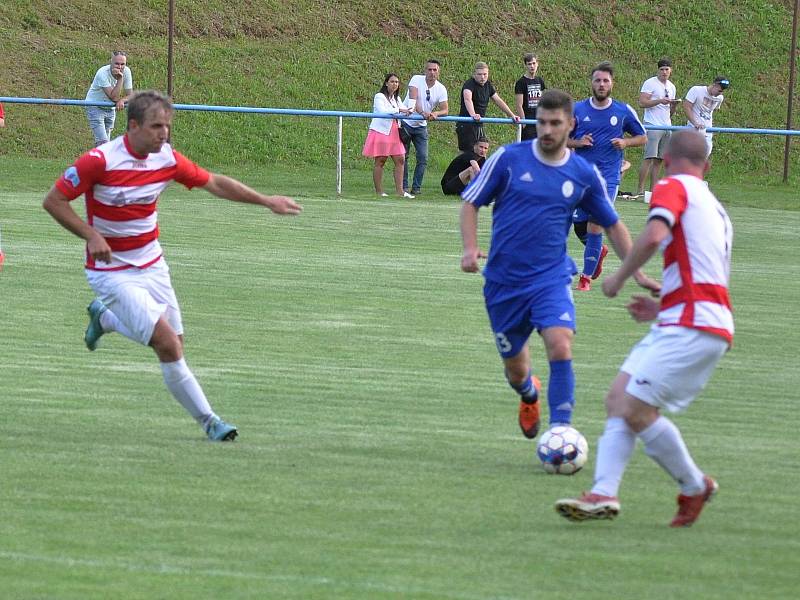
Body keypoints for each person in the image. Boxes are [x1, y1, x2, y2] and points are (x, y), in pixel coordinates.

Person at [41, 90, 302, 442]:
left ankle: (106, 319)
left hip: (152, 264)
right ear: (132, 126)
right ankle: (211, 421)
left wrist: (266, 200)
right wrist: (90, 235)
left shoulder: (166, 159)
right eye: (156, 126)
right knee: (168, 344)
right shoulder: (99, 161)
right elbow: (54, 201)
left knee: (174, 341)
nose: (164, 133)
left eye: (167, 125)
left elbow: (214, 183)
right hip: (111, 270)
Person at [555, 129, 733, 527]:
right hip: (693, 317)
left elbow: (654, 235)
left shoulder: (672, 186)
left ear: (665, 160)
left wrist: (619, 277)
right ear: (707, 165)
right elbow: (705, 273)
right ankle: (604, 492)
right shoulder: (715, 207)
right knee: (620, 398)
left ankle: (693, 485)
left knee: (636, 408)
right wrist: (660, 306)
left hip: (693, 325)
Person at [460, 89, 659, 443]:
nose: (547, 130)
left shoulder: (582, 173)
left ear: (571, 125)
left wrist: (637, 271)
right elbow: (471, 203)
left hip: (551, 278)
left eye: (555, 123)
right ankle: (529, 394)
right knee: (517, 369)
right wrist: (471, 248)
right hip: (504, 283)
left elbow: (612, 223)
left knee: (560, 344)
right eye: (542, 123)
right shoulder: (508, 158)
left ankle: (561, 428)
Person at [568, 61, 647, 292]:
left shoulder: (623, 111)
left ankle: (585, 278)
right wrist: (578, 142)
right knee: (579, 224)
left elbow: (642, 137)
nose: (602, 84)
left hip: (608, 179)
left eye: (606, 81)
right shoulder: (578, 110)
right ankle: (598, 251)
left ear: (612, 84)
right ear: (591, 83)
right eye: (598, 80)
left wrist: (625, 142)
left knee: (595, 225)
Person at [363, 73, 415, 198]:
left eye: (397, 82)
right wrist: (399, 110)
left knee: (400, 159)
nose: (395, 84)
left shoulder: (396, 99)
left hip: (395, 131)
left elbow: (403, 109)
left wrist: (408, 110)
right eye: (392, 81)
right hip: (381, 131)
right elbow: (382, 111)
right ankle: (379, 191)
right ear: (386, 83)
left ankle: (400, 191)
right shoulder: (379, 96)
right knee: (380, 160)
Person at [401, 59, 449, 195]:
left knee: (423, 157)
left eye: (435, 70)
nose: (432, 72)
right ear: (425, 70)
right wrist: (422, 113)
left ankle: (416, 188)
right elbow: (413, 99)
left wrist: (436, 113)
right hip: (406, 122)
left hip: (421, 126)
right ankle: (403, 187)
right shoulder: (416, 79)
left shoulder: (441, 88)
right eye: (429, 69)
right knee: (403, 156)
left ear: (438, 72)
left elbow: (445, 110)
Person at [456, 61, 520, 152]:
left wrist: (512, 115)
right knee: (467, 155)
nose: (482, 77)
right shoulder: (469, 84)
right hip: (466, 124)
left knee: (482, 152)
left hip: (479, 124)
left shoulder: (488, 85)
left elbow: (498, 100)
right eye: (479, 74)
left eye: (485, 74)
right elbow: (467, 99)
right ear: (474, 74)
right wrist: (473, 115)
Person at [637, 58, 678, 196]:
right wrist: (660, 100)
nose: (664, 72)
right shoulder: (650, 83)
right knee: (649, 157)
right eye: (662, 69)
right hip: (652, 124)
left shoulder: (672, 87)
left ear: (671, 70)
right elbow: (642, 103)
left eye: (667, 69)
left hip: (667, 125)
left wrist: (673, 106)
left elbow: (669, 112)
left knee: (660, 160)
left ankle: (653, 191)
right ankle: (640, 190)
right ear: (658, 70)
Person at [85, 50, 133, 146]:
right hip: (94, 106)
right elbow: (113, 97)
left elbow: (131, 95)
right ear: (111, 62)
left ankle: (98, 160)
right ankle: (99, 160)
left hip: (110, 109)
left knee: (105, 144)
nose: (120, 67)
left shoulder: (127, 71)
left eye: (122, 64)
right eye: (117, 64)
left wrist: (123, 100)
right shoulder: (102, 73)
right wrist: (120, 79)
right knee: (103, 143)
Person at [683, 76, 729, 157]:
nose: (720, 93)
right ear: (714, 85)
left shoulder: (720, 98)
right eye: (719, 90)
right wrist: (695, 123)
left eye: (722, 91)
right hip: (693, 128)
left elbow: (710, 112)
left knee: (704, 155)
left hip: (707, 130)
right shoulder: (697, 90)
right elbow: (687, 106)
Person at [514, 53, 546, 141]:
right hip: (528, 121)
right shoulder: (521, 82)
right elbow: (519, 105)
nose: (532, 66)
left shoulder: (540, 81)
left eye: (534, 63)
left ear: (537, 64)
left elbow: (543, 102)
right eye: (529, 64)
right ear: (525, 65)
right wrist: (524, 123)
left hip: (539, 121)